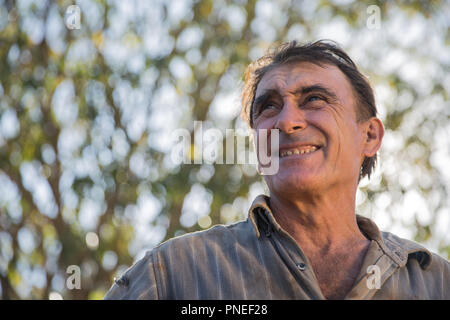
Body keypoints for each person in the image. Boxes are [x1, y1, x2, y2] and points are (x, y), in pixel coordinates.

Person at [104, 40, 450, 300]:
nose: (286, 121)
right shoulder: (173, 275)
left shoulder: (437, 283)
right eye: (268, 107)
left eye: (314, 99)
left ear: (370, 135)